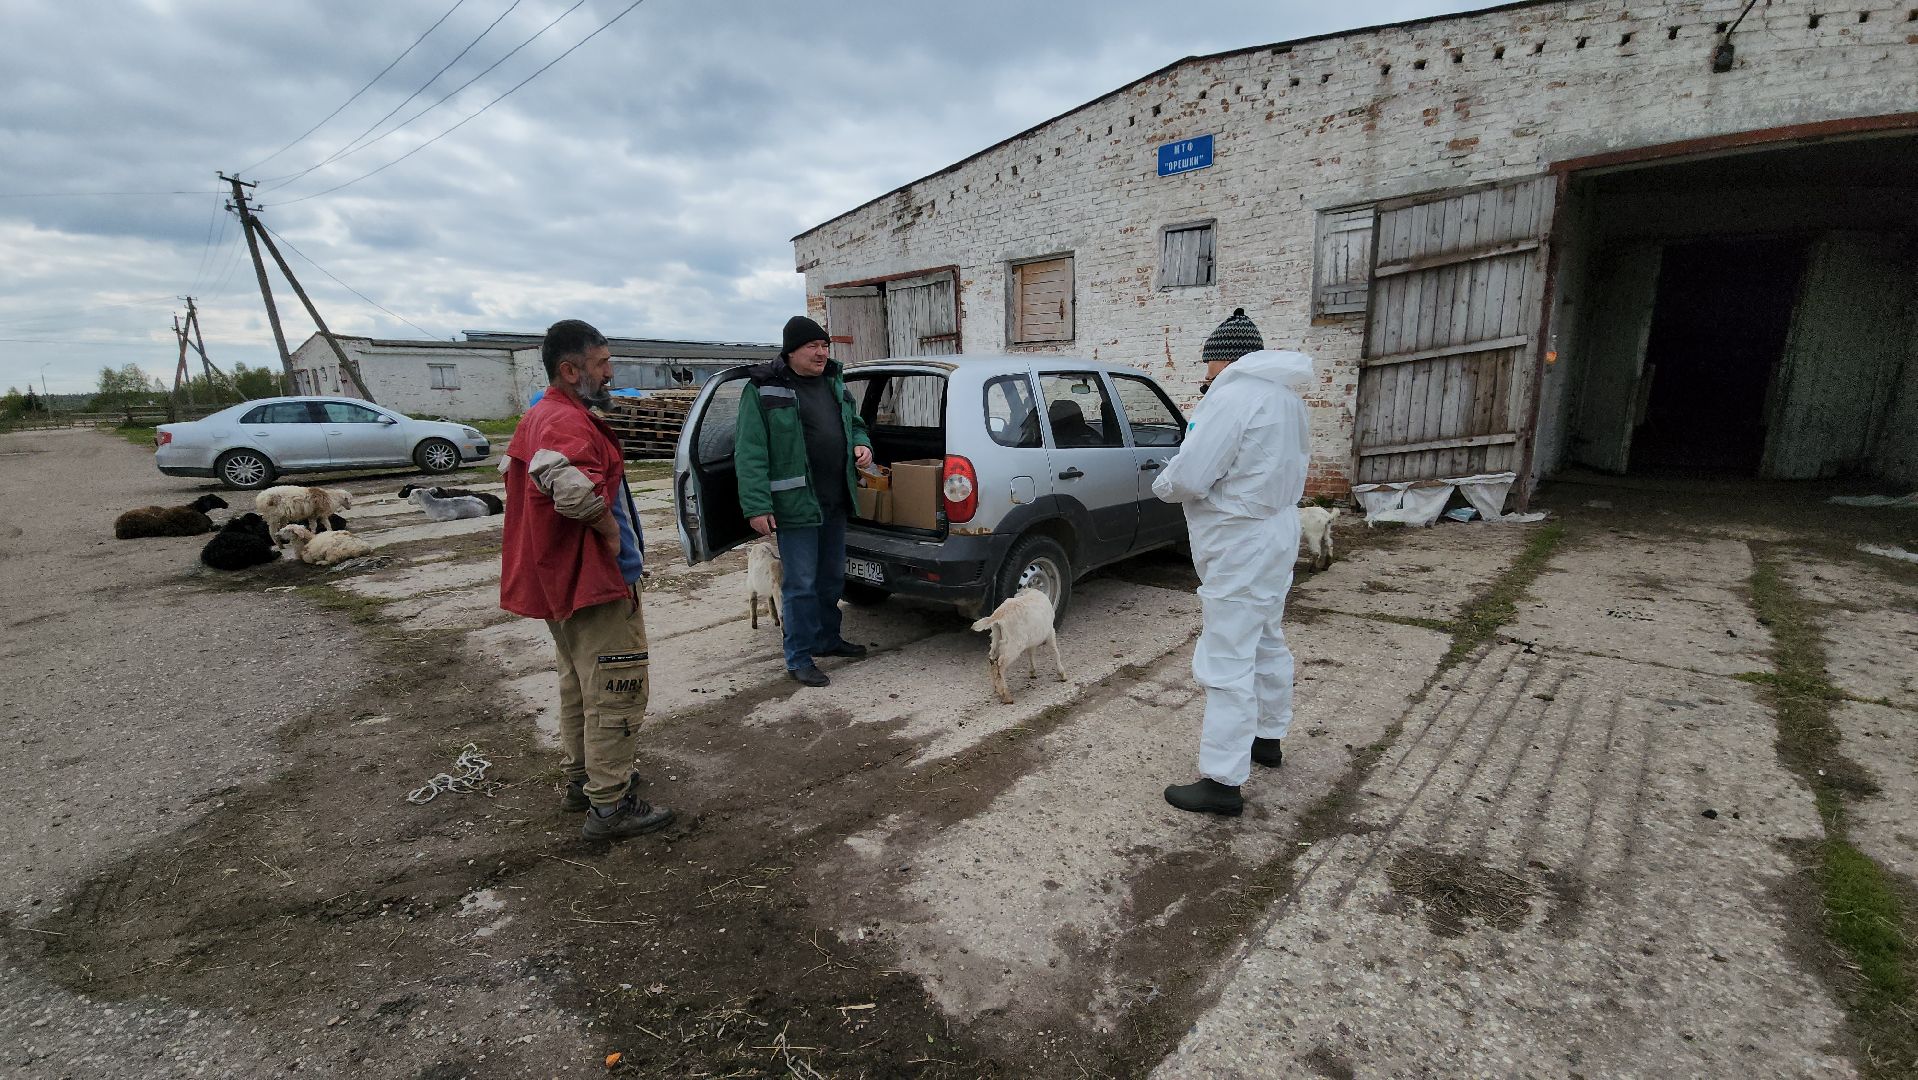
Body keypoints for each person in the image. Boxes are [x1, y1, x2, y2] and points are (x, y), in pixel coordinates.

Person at [500, 319, 673, 841]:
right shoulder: (565, 421)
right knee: (618, 686)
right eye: (601, 363)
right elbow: (571, 487)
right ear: (570, 370)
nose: (610, 372)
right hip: (593, 582)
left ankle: (585, 781)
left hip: (563, 581)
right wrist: (610, 532)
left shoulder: (542, 415)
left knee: (580, 684)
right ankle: (611, 805)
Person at [1152, 308, 1315, 816]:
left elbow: (1191, 476)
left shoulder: (1232, 396)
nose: (1205, 377)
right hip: (1277, 532)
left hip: (1240, 540)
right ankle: (1267, 738)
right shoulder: (1287, 399)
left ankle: (1222, 782)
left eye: (1208, 366)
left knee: (1226, 655)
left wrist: (1163, 481)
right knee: (1266, 637)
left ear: (1224, 359)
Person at [735, 316, 875, 687]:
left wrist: (862, 444)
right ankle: (798, 657)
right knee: (800, 584)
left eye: (825, 346)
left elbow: (855, 423)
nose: (821, 353)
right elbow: (750, 452)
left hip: (835, 500)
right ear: (791, 351)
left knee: (831, 578)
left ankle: (827, 638)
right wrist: (757, 506)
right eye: (813, 346)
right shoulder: (763, 389)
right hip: (794, 506)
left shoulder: (833, 383)